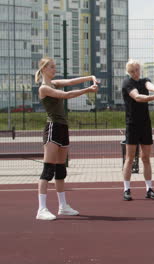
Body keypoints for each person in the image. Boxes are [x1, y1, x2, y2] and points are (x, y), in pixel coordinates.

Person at [35, 57, 99, 220]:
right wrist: (87, 90)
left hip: (63, 128)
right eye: (51, 67)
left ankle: (63, 206)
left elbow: (71, 82)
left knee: (61, 170)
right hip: (52, 128)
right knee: (48, 169)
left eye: (55, 67)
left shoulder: (54, 83)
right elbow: (67, 94)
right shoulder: (44, 88)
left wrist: (89, 77)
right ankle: (41, 209)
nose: (54, 70)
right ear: (43, 69)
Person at [121, 59, 154, 201]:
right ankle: (127, 189)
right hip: (132, 124)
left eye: (137, 70)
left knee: (146, 158)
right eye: (132, 71)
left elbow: (150, 85)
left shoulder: (144, 80)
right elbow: (138, 97)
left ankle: (149, 189)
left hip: (145, 124)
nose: (135, 73)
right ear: (128, 72)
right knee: (129, 158)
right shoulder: (127, 83)